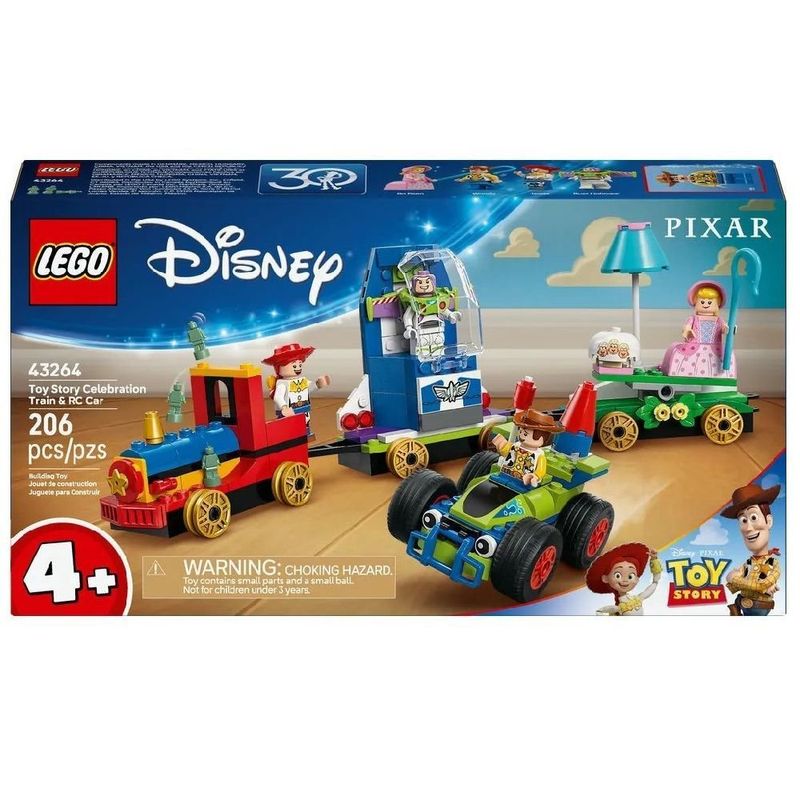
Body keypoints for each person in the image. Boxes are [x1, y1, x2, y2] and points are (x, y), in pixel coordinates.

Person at [722, 483, 781, 616]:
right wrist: (731, 580)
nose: (748, 528)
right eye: (743, 520)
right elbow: (733, 587)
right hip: (741, 605)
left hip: (759, 609)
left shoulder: (774, 564)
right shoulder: (748, 563)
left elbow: (760, 585)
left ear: (768, 521)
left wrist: (734, 578)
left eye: (753, 517)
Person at [661, 280, 733, 378]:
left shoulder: (719, 320)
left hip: (714, 348)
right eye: (702, 301)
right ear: (695, 302)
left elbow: (724, 329)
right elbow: (687, 327)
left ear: (718, 303)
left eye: (710, 302)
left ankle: (720, 375)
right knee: (681, 354)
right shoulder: (693, 319)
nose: (706, 304)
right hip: (694, 346)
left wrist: (728, 329)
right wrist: (687, 331)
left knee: (721, 358)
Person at [263, 343, 330, 438]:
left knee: (305, 420)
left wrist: (318, 384)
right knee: (289, 425)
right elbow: (278, 397)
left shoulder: (302, 380)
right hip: (289, 412)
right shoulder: (282, 383)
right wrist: (284, 407)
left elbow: (308, 389)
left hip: (303, 408)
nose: (298, 368)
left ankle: (305, 431)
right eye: (294, 366)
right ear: (279, 367)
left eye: (300, 365)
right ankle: (290, 435)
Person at [491, 408, 563, 489]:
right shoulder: (516, 445)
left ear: (541, 438)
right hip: (505, 474)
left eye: (525, 434)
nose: (521, 436)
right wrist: (501, 444)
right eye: (521, 432)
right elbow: (508, 453)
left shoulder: (539, 455)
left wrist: (535, 476)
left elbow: (541, 469)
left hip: (523, 482)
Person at [586, 542, 663, 615]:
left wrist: (654, 559)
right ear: (605, 578)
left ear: (637, 579)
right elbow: (599, 612)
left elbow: (655, 583)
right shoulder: (617, 608)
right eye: (618, 575)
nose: (625, 580)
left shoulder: (638, 599)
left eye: (630, 576)